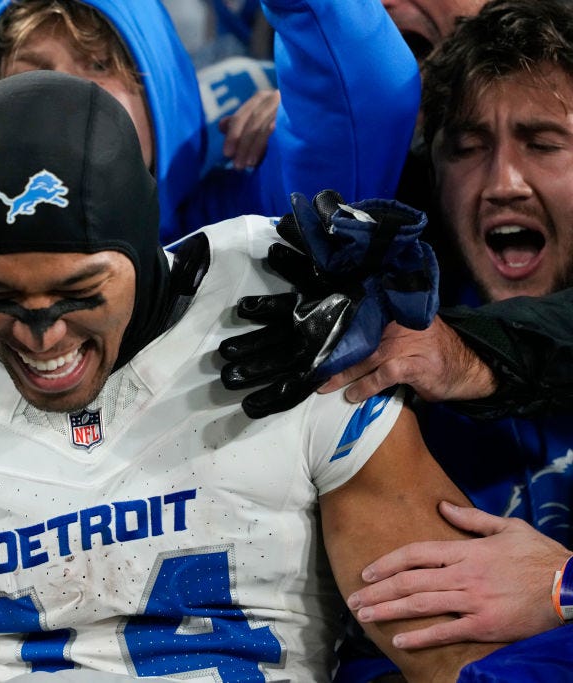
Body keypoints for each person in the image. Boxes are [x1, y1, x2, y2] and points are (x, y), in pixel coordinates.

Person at [0, 69, 509, 682]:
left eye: (81, 293)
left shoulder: (283, 317)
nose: (43, 331)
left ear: (141, 244)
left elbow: (449, 637)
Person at [222, 2, 573, 677]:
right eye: (466, 149)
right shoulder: (380, 341)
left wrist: (560, 586)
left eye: (542, 142)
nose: (503, 182)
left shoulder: (447, 349)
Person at [0, 0, 420, 244]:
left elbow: (366, 102)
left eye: (99, 65)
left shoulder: (239, 227)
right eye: (34, 74)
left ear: (161, 100)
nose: (64, 95)